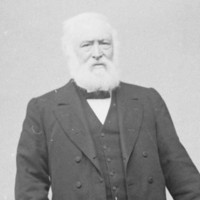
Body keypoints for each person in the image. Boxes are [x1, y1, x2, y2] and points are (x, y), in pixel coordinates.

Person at [15, 12, 200, 200]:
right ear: (70, 51)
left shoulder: (148, 101)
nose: (97, 53)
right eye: (86, 45)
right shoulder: (43, 109)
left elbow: (184, 177)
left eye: (104, 43)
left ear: (115, 48)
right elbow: (29, 188)